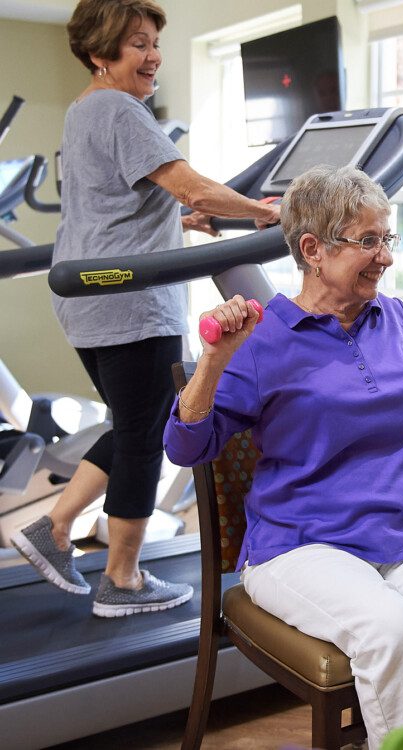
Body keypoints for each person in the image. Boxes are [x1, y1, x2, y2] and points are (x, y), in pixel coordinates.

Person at [163, 164, 403, 748]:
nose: (385, 257)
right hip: (300, 545)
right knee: (393, 631)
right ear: (313, 249)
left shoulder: (396, 318)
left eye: (387, 239)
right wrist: (212, 362)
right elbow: (186, 446)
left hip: (402, 536)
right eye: (368, 241)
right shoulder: (260, 338)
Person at [12, 0, 280, 617]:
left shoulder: (85, 110)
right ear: (101, 53)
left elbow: (114, 203)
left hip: (91, 308)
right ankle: (121, 581)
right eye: (137, 43)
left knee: (135, 423)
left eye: (155, 42)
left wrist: (180, 220)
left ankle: (51, 530)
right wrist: (268, 213)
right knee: (146, 437)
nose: (153, 54)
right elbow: (189, 182)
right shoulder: (122, 110)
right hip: (131, 305)